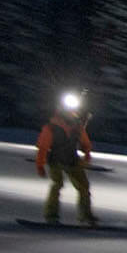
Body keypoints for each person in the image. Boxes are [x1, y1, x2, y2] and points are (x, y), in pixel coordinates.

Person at [35, 91, 97, 226]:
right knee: (57, 185)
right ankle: (51, 215)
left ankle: (86, 216)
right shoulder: (52, 127)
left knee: (84, 187)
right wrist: (40, 164)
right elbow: (43, 147)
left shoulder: (78, 126)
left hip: (72, 160)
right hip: (56, 160)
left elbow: (85, 142)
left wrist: (87, 153)